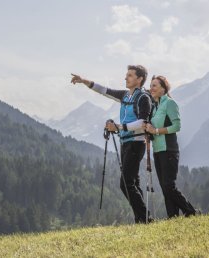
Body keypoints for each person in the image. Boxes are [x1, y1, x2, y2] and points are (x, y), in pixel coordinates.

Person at [71, 65, 153, 223]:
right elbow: (104, 90)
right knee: (133, 182)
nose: (125, 78)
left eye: (129, 75)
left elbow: (143, 122)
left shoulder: (143, 98)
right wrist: (83, 81)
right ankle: (142, 219)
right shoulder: (125, 96)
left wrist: (119, 127)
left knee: (125, 183)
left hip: (136, 143)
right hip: (125, 142)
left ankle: (145, 218)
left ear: (139, 79)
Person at [144, 75, 199, 218]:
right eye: (151, 86)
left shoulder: (169, 103)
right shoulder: (155, 107)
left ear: (163, 88)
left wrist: (155, 131)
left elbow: (177, 126)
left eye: (154, 85)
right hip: (157, 150)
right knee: (165, 187)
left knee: (169, 186)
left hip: (169, 150)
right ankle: (173, 218)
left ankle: (190, 211)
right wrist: (149, 132)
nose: (151, 88)